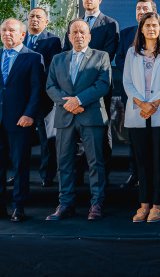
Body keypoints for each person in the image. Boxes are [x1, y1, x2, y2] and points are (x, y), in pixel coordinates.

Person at [0, 19, 45, 223]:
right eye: (4, 30)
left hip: (20, 122)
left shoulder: (33, 58)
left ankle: (19, 207)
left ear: (23, 34)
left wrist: (30, 114)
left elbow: (37, 90)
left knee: (20, 166)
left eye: (12, 30)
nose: (7, 34)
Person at [45, 20, 112, 221]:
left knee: (95, 162)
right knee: (64, 162)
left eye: (82, 32)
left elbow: (103, 84)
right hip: (65, 117)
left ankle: (97, 204)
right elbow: (50, 86)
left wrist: (79, 100)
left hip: (91, 116)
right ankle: (65, 204)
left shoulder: (101, 56)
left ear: (89, 36)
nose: (78, 35)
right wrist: (68, 103)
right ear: (69, 36)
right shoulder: (58, 59)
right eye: (74, 32)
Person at [122, 12, 160, 223]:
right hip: (138, 113)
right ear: (141, 28)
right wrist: (141, 104)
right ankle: (143, 204)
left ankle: (157, 204)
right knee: (142, 162)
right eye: (147, 25)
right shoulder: (132, 53)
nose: (151, 29)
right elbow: (127, 83)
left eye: (155, 25)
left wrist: (153, 104)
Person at [114, 0, 160, 189]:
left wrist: (154, 102)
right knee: (137, 143)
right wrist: (140, 98)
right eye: (138, 8)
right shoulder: (126, 35)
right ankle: (136, 175)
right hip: (136, 98)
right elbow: (121, 60)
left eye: (145, 9)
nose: (141, 11)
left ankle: (159, 183)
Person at [63, 0, 119, 183]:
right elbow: (65, 55)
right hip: (73, 90)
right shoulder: (73, 23)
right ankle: (77, 176)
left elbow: (108, 55)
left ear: (99, 0)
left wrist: (86, 89)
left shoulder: (110, 24)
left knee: (102, 133)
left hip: (98, 88)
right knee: (75, 133)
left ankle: (103, 176)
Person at [24, 7, 63, 188]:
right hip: (21, 98)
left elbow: (53, 68)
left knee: (46, 138)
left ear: (46, 21)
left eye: (39, 17)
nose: (34, 19)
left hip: (43, 97)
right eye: (31, 16)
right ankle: (18, 174)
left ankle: (47, 174)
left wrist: (37, 87)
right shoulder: (20, 39)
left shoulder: (53, 40)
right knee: (21, 139)